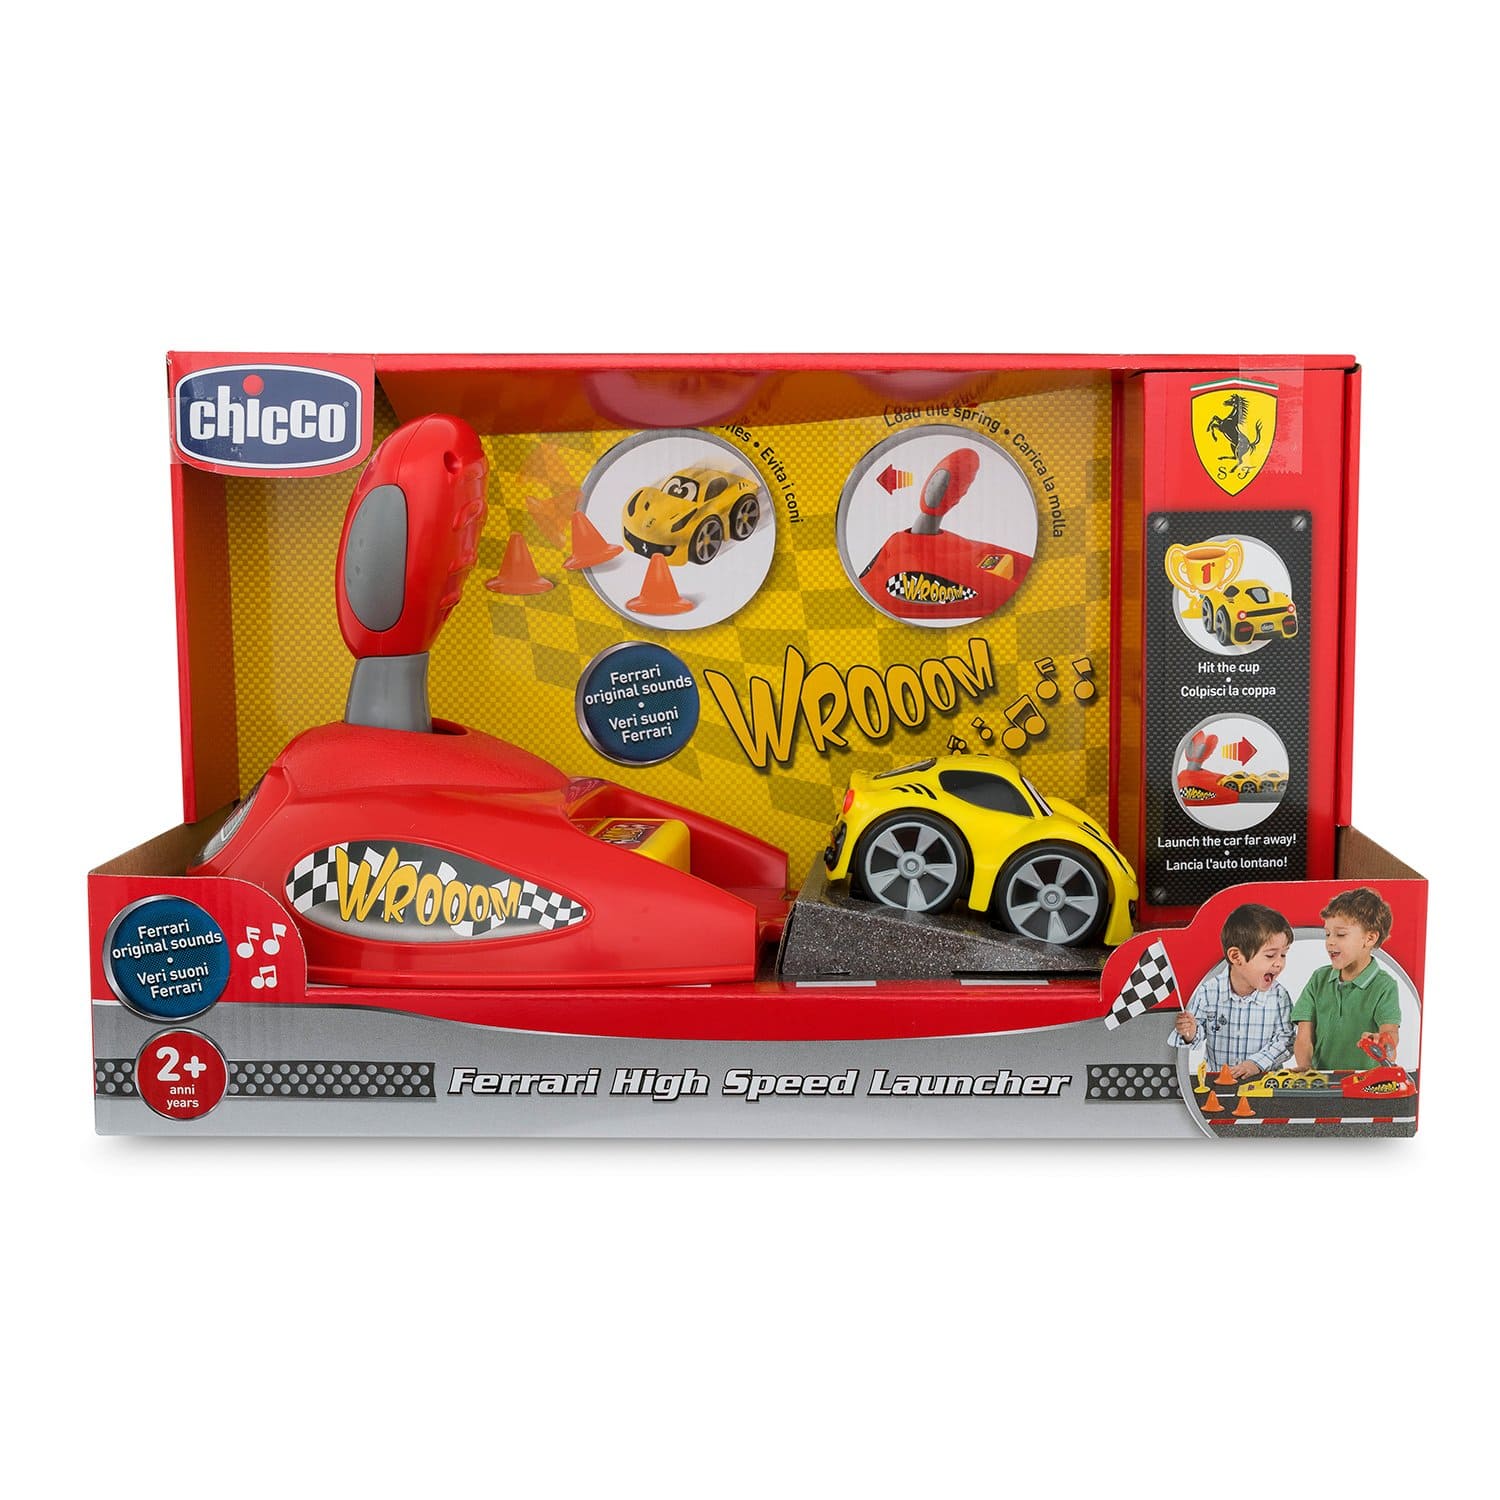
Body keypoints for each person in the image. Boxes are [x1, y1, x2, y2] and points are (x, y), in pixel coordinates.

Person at [1169, 903, 1295, 1079]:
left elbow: (1286, 1040)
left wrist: (1256, 1064)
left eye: (1283, 954)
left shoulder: (1279, 996)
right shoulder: (1208, 992)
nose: (1279, 963)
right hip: (1218, 1082)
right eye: (1270, 955)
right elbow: (1195, 1034)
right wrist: (1190, 1032)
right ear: (1236, 956)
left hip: (1264, 1082)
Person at [1292, 888, 1400, 1070]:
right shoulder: (1318, 979)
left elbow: (1390, 1032)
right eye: (1327, 934)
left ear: (1370, 938)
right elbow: (1304, 1036)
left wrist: (1383, 1042)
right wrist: (1305, 1067)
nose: (1330, 942)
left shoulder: (1385, 986)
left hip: (1365, 1080)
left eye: (1340, 934)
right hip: (1323, 1079)